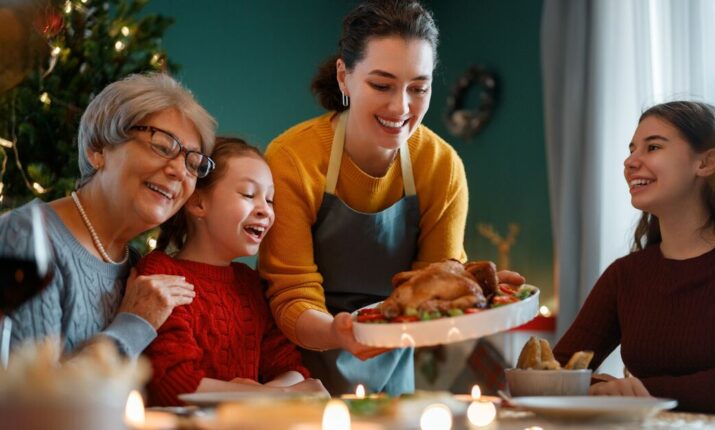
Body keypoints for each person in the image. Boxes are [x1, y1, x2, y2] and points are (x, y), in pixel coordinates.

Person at [260, 0, 525, 396]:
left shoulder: (440, 167)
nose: (401, 107)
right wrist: (341, 331)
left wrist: (475, 292)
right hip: (298, 376)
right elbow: (290, 293)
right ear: (344, 77)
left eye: (418, 88)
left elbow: (433, 286)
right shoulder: (293, 159)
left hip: (394, 375)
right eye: (381, 85)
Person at [553, 101, 715, 417]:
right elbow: (554, 374)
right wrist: (604, 387)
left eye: (653, 147)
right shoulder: (625, 275)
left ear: (708, 162)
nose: (630, 162)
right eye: (631, 150)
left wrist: (634, 393)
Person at [0, 72, 216, 357]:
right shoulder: (27, 236)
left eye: (194, 163)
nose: (179, 171)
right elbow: (29, 397)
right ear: (98, 149)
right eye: (163, 146)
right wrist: (135, 323)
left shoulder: (139, 267)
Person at [139, 137, 328, 406]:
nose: (265, 210)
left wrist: (277, 391)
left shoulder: (249, 283)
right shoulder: (160, 272)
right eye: (249, 195)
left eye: (270, 199)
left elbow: (290, 367)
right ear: (198, 203)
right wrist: (275, 396)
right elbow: (174, 382)